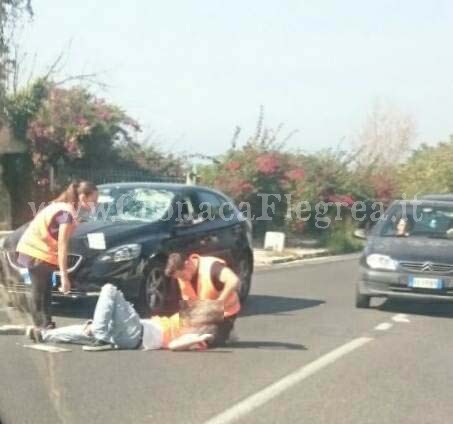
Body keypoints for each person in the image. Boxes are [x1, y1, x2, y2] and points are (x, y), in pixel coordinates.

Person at [0, 283, 223, 351]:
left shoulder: (196, 337)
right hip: (128, 331)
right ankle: (42, 334)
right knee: (83, 331)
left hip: (136, 333)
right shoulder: (184, 320)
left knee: (110, 290)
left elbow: (174, 345)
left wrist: (198, 336)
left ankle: (100, 334)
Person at [16, 181, 98, 329]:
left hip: (34, 249)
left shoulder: (60, 207)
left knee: (45, 289)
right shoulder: (66, 214)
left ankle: (46, 324)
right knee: (40, 291)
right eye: (94, 200)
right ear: (82, 197)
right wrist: (65, 277)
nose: (96, 204)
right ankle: (41, 326)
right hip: (37, 252)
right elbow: (62, 245)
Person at [164, 252, 241, 346]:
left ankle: (227, 331)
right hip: (205, 309)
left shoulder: (212, 268)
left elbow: (234, 281)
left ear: (187, 264)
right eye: (179, 278)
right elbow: (189, 306)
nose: (182, 279)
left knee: (205, 340)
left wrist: (219, 302)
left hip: (225, 311)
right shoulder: (182, 276)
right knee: (181, 333)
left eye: (182, 276)